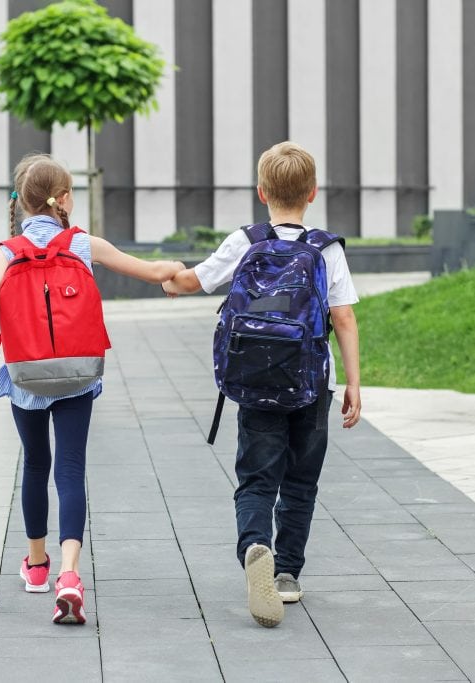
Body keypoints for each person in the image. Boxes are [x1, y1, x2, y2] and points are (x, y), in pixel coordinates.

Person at [0, 153, 183, 625]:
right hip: (78, 373)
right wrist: (179, 272)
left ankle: (37, 567)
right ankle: (70, 575)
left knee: (36, 464)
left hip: (27, 375)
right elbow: (151, 271)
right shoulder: (82, 243)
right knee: (70, 468)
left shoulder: (8, 251)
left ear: (22, 201)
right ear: (64, 199)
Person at [161, 141, 361, 628]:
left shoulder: (245, 241)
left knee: (256, 479)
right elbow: (343, 318)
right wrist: (354, 384)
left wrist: (168, 279)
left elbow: (193, 281)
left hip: (254, 382)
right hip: (313, 384)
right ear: (312, 193)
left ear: (261, 192)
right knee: (301, 482)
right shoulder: (326, 248)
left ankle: (255, 544)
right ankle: (287, 573)